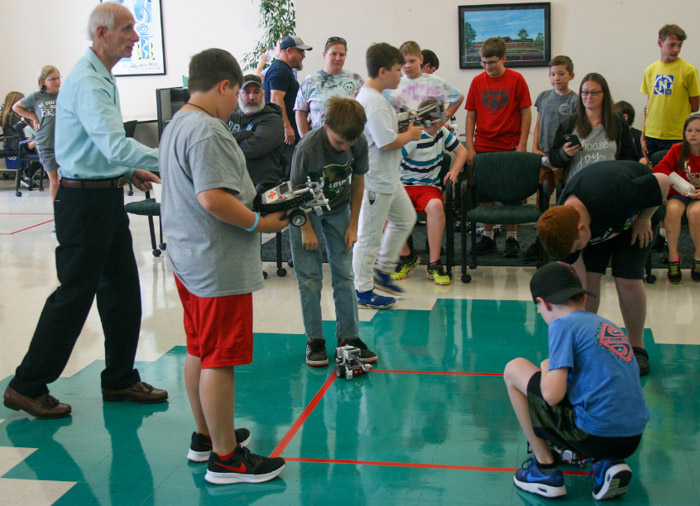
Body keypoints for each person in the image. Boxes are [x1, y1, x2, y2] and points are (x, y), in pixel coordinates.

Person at [2, 2, 167, 420]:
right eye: (127, 28)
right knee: (75, 294)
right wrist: (171, 159)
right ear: (101, 34)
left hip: (103, 196)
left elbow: (98, 145)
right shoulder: (89, 82)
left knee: (123, 290)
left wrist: (129, 170)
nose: (135, 35)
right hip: (83, 203)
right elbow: (112, 144)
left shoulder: (99, 76)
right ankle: (26, 385)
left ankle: (119, 378)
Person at [160, 48, 288, 485]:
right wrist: (260, 221)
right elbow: (213, 198)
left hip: (189, 257)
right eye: (236, 93)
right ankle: (227, 459)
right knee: (221, 358)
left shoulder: (177, 123)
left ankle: (205, 436)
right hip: (215, 262)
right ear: (224, 86)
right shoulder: (208, 131)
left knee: (199, 348)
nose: (237, 103)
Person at [504, 261, 649, 500]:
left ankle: (544, 469)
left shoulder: (562, 325)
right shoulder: (606, 325)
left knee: (514, 369)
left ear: (543, 303)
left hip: (595, 436)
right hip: (632, 437)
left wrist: (546, 365)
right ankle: (606, 464)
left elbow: (552, 395)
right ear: (582, 297)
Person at [536, 160, 671, 376]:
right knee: (589, 280)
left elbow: (662, 181)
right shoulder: (563, 225)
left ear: (582, 229)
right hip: (600, 226)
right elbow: (579, 283)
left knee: (627, 280)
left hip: (636, 214)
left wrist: (645, 218)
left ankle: (636, 346)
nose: (577, 249)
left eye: (578, 246)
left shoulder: (609, 191)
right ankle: (587, 341)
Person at [289, 96, 378, 366]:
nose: (345, 147)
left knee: (344, 274)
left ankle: (349, 337)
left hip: (339, 209)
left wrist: (353, 226)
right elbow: (294, 192)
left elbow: (358, 181)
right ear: (326, 126)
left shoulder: (357, 142)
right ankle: (314, 339)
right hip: (305, 209)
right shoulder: (308, 148)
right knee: (309, 277)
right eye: (340, 142)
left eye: (349, 142)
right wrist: (306, 229)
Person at [352, 43, 423, 309]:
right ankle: (362, 290)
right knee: (368, 237)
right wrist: (412, 135)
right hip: (375, 181)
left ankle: (382, 269)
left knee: (405, 219)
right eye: (396, 69)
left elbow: (384, 133)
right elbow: (386, 142)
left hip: (388, 178)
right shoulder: (374, 100)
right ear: (382, 71)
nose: (401, 74)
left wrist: (402, 123)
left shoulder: (374, 98)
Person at [465, 37, 532, 258]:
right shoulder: (476, 82)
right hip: (484, 144)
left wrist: (522, 144)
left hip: (510, 145)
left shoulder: (517, 79)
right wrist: (471, 147)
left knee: (512, 195)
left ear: (504, 58)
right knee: (485, 194)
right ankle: (488, 237)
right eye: (483, 62)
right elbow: (471, 115)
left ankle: (512, 239)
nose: (487, 67)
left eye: (492, 62)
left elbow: (526, 113)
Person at [392, 98, 467, 285]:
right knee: (385, 205)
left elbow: (462, 152)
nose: (441, 122)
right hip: (404, 185)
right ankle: (407, 256)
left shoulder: (442, 133)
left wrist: (454, 172)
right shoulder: (412, 136)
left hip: (429, 186)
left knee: (435, 206)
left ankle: (434, 263)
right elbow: (391, 160)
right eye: (437, 118)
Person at [523, 55, 578, 260]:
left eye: (561, 74)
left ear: (571, 75)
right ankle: (540, 240)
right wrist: (535, 147)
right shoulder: (544, 97)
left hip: (562, 160)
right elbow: (538, 125)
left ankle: (563, 243)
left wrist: (560, 159)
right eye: (553, 74)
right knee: (542, 200)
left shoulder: (574, 100)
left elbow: (575, 131)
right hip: (543, 157)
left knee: (563, 201)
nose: (557, 78)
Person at [549, 73, 638, 184]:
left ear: (604, 94)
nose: (589, 97)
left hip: (609, 185)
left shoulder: (617, 121)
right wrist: (564, 153)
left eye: (595, 92)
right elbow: (554, 158)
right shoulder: (569, 123)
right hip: (576, 185)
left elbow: (631, 157)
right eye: (585, 92)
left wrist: (618, 176)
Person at [652, 114, 700, 283]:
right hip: (679, 194)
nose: (693, 134)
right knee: (672, 211)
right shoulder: (678, 150)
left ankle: (698, 257)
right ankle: (674, 256)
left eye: (698, 130)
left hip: (698, 197)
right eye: (689, 130)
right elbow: (659, 168)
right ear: (684, 133)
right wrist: (676, 181)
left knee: (696, 213)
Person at [640, 24, 700, 160]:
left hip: (676, 134)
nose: (676, 50)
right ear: (660, 43)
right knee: (654, 174)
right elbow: (649, 105)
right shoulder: (650, 70)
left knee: (674, 176)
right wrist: (643, 135)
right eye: (672, 45)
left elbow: (695, 106)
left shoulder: (689, 70)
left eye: (679, 45)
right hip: (652, 134)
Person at [294, 36, 364, 136]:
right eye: (333, 54)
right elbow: (300, 113)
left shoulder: (356, 80)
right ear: (324, 55)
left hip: (347, 142)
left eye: (342, 55)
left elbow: (363, 113)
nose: (338, 58)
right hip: (317, 142)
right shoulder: (311, 81)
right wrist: (306, 140)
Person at [12, 66, 62, 202]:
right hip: (46, 144)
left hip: (63, 144)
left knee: (65, 180)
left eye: (58, 78)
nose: (57, 81)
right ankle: (58, 214)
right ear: (43, 81)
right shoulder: (36, 97)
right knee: (55, 181)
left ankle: (67, 212)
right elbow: (16, 107)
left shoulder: (64, 95)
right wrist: (33, 117)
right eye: (53, 79)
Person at [384, 41, 463, 126]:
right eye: (404, 62)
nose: (407, 66)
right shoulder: (392, 86)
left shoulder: (436, 82)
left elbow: (458, 97)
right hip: (405, 135)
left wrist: (442, 121)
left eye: (412, 61)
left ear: (421, 59)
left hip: (431, 135)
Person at [228, 74, 285, 190]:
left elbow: (254, 149)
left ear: (264, 94)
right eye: (246, 92)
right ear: (238, 95)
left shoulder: (272, 120)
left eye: (256, 92)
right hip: (234, 185)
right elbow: (215, 142)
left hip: (264, 187)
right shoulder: (230, 117)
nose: (252, 97)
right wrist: (244, 134)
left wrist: (226, 143)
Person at [263, 35, 312, 169]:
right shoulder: (280, 70)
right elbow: (276, 99)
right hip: (285, 136)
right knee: (288, 173)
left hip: (289, 132)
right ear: (289, 50)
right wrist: (287, 127)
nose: (303, 56)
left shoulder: (284, 69)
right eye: (301, 52)